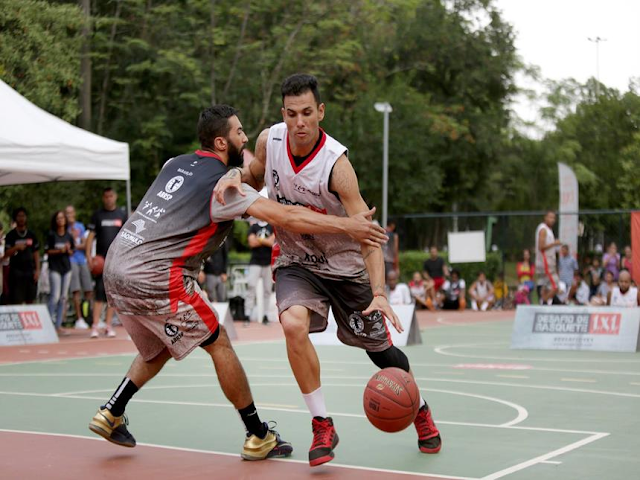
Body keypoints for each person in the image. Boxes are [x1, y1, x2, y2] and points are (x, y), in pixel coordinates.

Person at [89, 105, 386, 460]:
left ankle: (112, 411)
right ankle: (257, 434)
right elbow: (286, 215)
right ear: (221, 141)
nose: (245, 138)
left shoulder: (173, 164)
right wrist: (347, 225)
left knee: (160, 343)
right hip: (157, 276)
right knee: (219, 343)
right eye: (239, 133)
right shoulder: (224, 189)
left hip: (117, 263)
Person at [213, 74, 441, 466]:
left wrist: (380, 293)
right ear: (282, 113)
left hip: (346, 266)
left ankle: (418, 408)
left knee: (382, 353)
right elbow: (253, 176)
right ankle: (322, 422)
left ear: (320, 112)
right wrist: (234, 174)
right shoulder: (271, 141)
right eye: (291, 113)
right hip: (295, 261)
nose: (299, 122)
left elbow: (368, 234)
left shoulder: (337, 167)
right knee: (292, 325)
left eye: (306, 113)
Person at [86, 188, 128, 338]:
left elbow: (126, 236)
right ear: (103, 198)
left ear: (115, 197)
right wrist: (88, 257)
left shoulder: (122, 215)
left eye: (111, 196)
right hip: (101, 261)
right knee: (98, 293)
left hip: (116, 260)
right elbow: (90, 237)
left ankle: (108, 325)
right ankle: (95, 326)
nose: (109, 199)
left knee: (112, 294)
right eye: (106, 196)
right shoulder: (97, 215)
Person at [46, 211, 75, 334]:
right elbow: (47, 251)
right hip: (55, 268)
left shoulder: (69, 235)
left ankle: (58, 325)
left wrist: (68, 251)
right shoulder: (51, 235)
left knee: (63, 298)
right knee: (55, 296)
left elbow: (72, 251)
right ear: (55, 221)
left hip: (66, 268)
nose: (60, 220)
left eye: (62, 218)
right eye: (58, 218)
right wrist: (60, 250)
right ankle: (47, 324)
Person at [3, 207, 40, 305]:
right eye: (19, 216)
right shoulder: (11, 235)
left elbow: (36, 253)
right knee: (16, 299)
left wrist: (37, 270)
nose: (21, 218)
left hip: (30, 271)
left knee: (30, 298)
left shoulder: (32, 235)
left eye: (23, 216)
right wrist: (16, 248)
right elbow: (6, 253)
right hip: (16, 272)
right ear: (15, 218)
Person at [65, 205, 93, 329]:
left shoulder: (80, 226)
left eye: (71, 212)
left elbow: (84, 244)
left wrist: (75, 246)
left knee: (88, 289)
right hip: (71, 261)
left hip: (82, 259)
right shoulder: (63, 228)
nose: (69, 215)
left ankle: (89, 316)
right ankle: (79, 318)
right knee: (75, 290)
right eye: (67, 213)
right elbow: (67, 248)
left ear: (74, 213)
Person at [246, 220, 275, 324]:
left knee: (267, 290)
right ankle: (247, 313)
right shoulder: (253, 227)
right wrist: (266, 240)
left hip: (268, 262)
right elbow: (251, 242)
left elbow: (272, 242)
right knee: (251, 287)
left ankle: (265, 314)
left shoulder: (272, 226)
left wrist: (258, 239)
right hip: (255, 262)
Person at [535, 210, 562, 305]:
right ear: (545, 217)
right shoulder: (543, 229)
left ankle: (545, 301)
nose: (552, 220)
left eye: (554, 218)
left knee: (545, 286)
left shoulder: (549, 230)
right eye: (550, 217)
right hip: (546, 263)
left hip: (549, 261)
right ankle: (544, 301)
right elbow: (541, 246)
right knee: (555, 286)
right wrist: (554, 243)